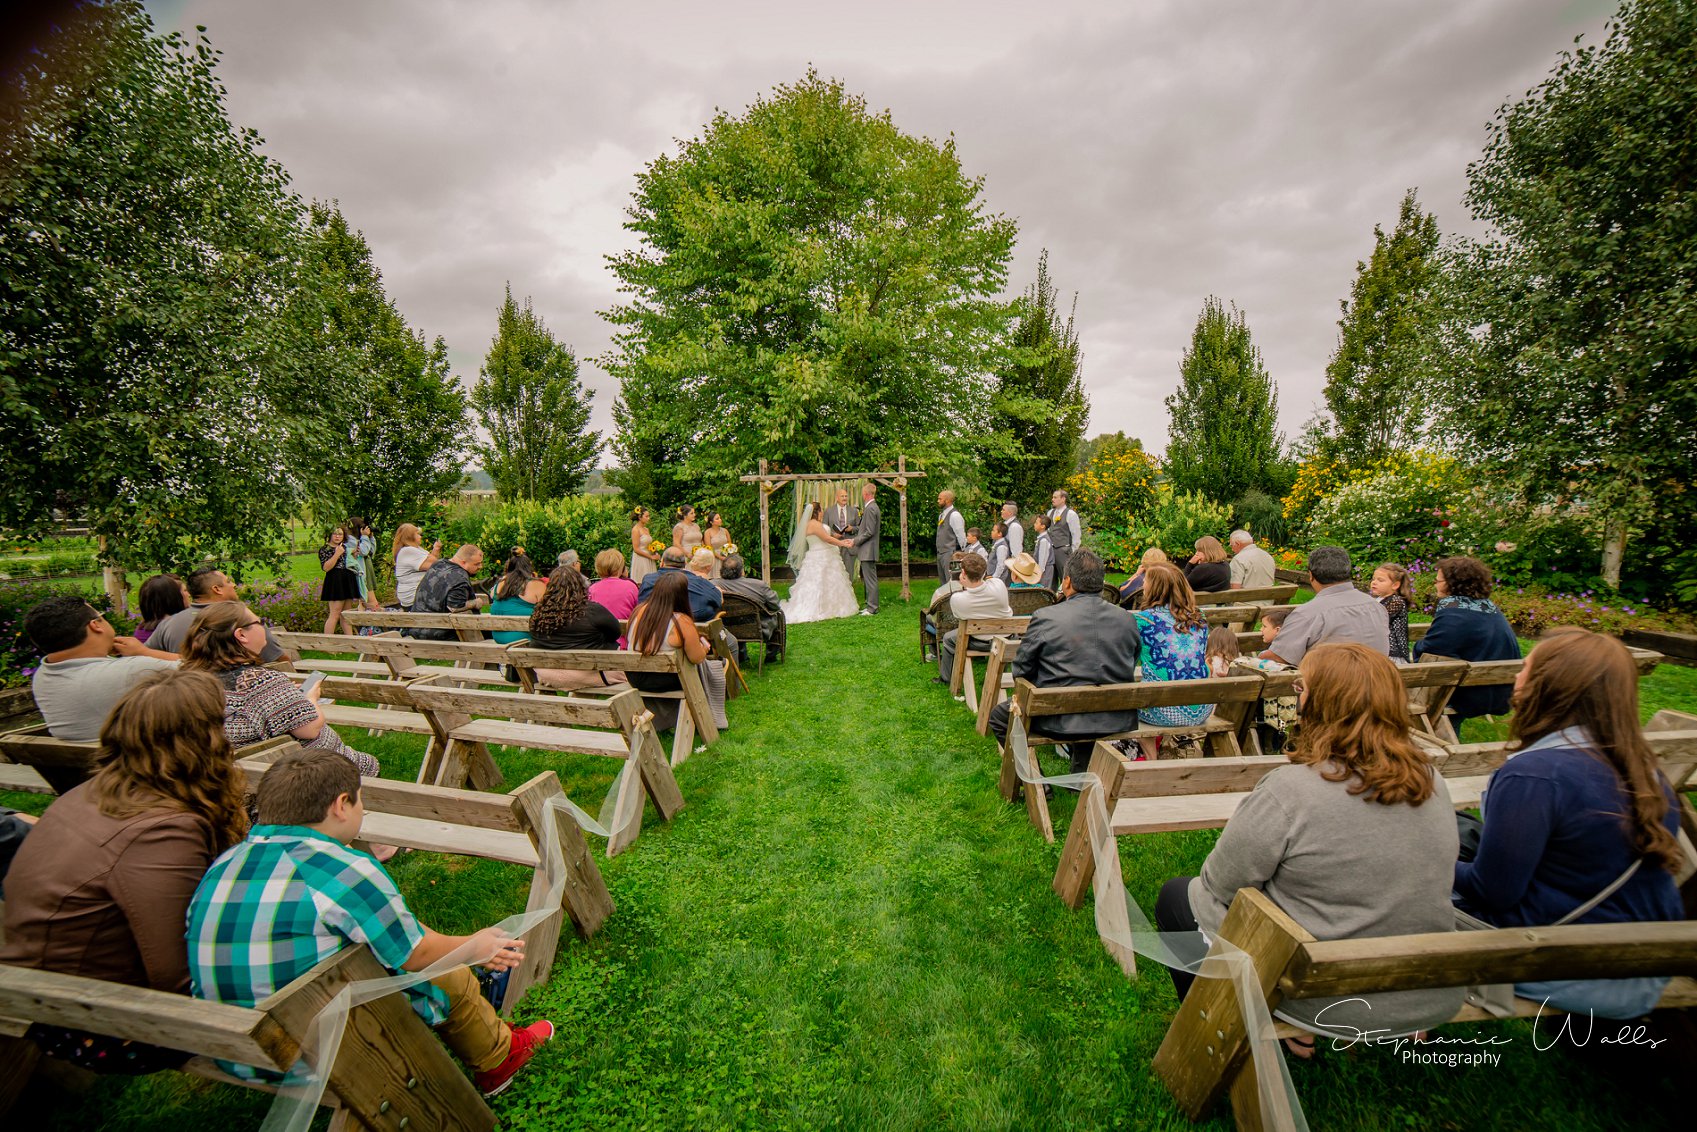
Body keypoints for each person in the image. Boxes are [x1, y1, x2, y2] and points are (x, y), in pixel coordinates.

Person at [187, 747, 553, 1096]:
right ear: (341, 805)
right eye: (360, 800)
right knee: (450, 977)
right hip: (310, 1050)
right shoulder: (341, 869)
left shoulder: (225, 863)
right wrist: (475, 947)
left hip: (236, 1045)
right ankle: (500, 1060)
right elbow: (415, 954)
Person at [1155, 643, 1464, 1053]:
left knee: (1180, 896)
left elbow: (1221, 883)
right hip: (1420, 983)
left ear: (1321, 703)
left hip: (1316, 989)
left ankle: (1219, 1030)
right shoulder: (1430, 780)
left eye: (1301, 687)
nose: (1297, 697)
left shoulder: (1293, 789)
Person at [1, 669, 250, 1073]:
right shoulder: (162, 832)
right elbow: (180, 974)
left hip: (54, 999)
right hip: (110, 1024)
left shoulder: (97, 790)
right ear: (203, 739)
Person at [1453, 630, 1684, 1018]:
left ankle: (1402, 1010)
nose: (1517, 677)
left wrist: (1423, 858)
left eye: (1526, 668)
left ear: (1550, 686)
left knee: (1396, 878)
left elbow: (1492, 893)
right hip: (1638, 955)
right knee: (1455, 827)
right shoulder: (1643, 768)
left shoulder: (1535, 775)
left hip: (1562, 957)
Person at [180, 603, 381, 779]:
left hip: (244, 774)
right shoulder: (259, 682)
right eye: (259, 623)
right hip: (304, 774)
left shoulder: (194, 682)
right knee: (369, 764)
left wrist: (288, 698)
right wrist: (310, 698)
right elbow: (309, 728)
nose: (264, 629)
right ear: (241, 635)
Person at [987, 550, 1141, 774]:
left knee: (1000, 717)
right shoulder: (1127, 618)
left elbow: (1021, 669)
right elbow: (1131, 660)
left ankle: (1035, 782)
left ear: (1067, 582)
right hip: (1116, 716)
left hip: (1059, 718)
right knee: (1087, 701)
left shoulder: (1046, 617)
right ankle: (1079, 778)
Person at [25, 595, 178, 742]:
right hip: (139, 764)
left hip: (82, 765)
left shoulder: (42, 676)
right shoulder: (135, 669)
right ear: (95, 625)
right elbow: (200, 667)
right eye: (102, 616)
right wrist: (145, 652)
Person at [1413, 556, 1522, 739]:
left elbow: (1431, 652)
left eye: (1438, 580)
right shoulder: (1489, 607)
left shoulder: (1454, 613)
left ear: (1452, 583)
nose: (1435, 584)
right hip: (1497, 690)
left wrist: (1417, 646)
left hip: (1470, 694)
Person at [626, 571, 727, 732]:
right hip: (665, 678)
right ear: (682, 594)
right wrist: (704, 648)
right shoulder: (681, 621)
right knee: (707, 666)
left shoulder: (638, 611)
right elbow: (697, 658)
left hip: (636, 676)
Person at [1131, 564, 1214, 755]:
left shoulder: (1144, 620)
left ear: (1155, 588)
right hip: (1201, 707)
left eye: (1146, 581)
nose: (1143, 584)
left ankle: (1152, 761)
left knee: (1130, 702)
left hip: (1161, 711)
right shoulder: (1199, 617)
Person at [1258, 547, 1389, 666]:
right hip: (1377, 683)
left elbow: (1279, 657)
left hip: (1333, 687)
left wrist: (1256, 658)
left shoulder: (1307, 614)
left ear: (1311, 576)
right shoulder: (1376, 607)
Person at [147, 565, 286, 662]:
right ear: (217, 589)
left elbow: (141, 654)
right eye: (228, 582)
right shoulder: (241, 617)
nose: (234, 585)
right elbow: (277, 658)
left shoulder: (169, 623)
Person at [527, 564, 628, 690]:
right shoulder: (592, 610)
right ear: (580, 586)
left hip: (548, 675)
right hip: (589, 673)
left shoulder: (538, 614)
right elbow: (616, 632)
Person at [933, 552, 1013, 689]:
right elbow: (988, 582)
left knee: (947, 638)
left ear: (963, 573)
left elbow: (960, 618)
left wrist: (965, 586)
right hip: (1006, 637)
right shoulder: (999, 585)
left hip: (980, 641)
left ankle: (946, 678)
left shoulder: (958, 599)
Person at [781, 502, 859, 624]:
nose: (822, 512)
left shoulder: (813, 524)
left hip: (824, 556)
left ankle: (831, 606)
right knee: (818, 582)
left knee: (829, 582)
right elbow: (826, 539)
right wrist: (844, 544)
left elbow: (827, 536)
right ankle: (821, 609)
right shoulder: (814, 524)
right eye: (821, 510)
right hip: (820, 557)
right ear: (816, 512)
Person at [1236, 605, 1299, 754]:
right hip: (1285, 713)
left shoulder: (1268, 656)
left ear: (1278, 631)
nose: (1261, 630)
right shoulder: (1294, 652)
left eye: (1264, 626)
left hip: (1265, 712)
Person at [404, 544, 489, 640]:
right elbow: (454, 607)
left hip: (416, 627)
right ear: (463, 562)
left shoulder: (438, 564)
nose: (480, 566)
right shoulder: (459, 578)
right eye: (476, 564)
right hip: (438, 632)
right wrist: (475, 603)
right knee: (490, 631)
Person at [716, 554, 785, 659]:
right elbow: (775, 605)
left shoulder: (713, 584)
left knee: (736, 617)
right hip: (758, 628)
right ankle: (771, 655)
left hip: (727, 627)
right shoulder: (759, 585)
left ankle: (741, 655)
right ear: (741, 570)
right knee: (778, 615)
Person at [637, 546, 725, 622]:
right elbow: (718, 601)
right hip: (694, 632)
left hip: (653, 631)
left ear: (662, 562)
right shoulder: (700, 582)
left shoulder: (648, 580)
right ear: (685, 564)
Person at [489, 550, 547, 644]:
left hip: (499, 638)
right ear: (529, 568)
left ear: (509, 567)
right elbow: (549, 609)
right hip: (524, 640)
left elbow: (492, 595)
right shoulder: (536, 585)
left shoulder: (499, 584)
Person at [588, 549, 641, 646]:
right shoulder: (630, 587)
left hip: (599, 644)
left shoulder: (592, 589)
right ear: (620, 567)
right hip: (624, 643)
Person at [319, 525, 362, 634]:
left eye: (340, 534)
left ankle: (350, 643)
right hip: (335, 580)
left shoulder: (345, 548)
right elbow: (326, 567)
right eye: (335, 534)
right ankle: (328, 645)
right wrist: (337, 554)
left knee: (346, 614)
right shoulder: (325, 549)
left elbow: (347, 563)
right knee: (335, 614)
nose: (338, 536)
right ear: (329, 535)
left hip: (347, 579)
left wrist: (354, 556)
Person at [1370, 562, 1415, 662]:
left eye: (1380, 580)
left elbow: (1376, 619)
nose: (1374, 582)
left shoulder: (1396, 601)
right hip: (1380, 651)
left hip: (1393, 652)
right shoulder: (1378, 600)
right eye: (1373, 579)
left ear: (1395, 585)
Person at [392, 524, 442, 611]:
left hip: (419, 595)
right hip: (414, 599)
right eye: (417, 534)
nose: (420, 536)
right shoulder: (408, 551)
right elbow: (434, 564)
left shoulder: (415, 549)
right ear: (410, 536)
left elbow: (430, 562)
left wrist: (436, 548)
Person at [133, 574, 189, 645]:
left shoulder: (141, 630)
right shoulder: (177, 629)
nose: (188, 594)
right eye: (185, 591)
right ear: (175, 597)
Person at [852, 483, 881, 615]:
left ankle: (872, 608)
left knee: (870, 580)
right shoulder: (871, 507)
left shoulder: (870, 508)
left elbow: (869, 532)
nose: (862, 496)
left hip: (868, 550)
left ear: (866, 494)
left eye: (863, 493)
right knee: (869, 580)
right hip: (868, 550)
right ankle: (870, 605)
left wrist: (855, 541)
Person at [1045, 489, 1081, 593]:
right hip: (1051, 551)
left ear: (1063, 499)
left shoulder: (1070, 514)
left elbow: (1076, 535)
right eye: (1052, 497)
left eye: (1055, 497)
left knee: (1066, 578)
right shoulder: (1050, 512)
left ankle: (1066, 599)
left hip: (1063, 551)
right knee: (1051, 578)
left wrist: (1072, 552)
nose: (1052, 499)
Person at [346, 516, 381, 612]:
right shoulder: (350, 540)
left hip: (367, 569)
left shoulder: (361, 538)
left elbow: (371, 552)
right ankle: (374, 623)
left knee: (365, 602)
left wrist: (371, 537)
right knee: (371, 601)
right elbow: (363, 551)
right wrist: (365, 537)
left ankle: (367, 623)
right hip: (361, 572)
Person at [935, 489, 967, 584]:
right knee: (943, 582)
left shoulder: (955, 515)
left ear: (947, 500)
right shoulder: (941, 515)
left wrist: (962, 553)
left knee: (952, 581)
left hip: (951, 553)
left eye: (940, 499)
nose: (938, 501)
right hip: (941, 553)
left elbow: (961, 535)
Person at [825, 489, 859, 577]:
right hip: (834, 546)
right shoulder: (829, 511)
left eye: (846, 496)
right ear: (837, 498)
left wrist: (851, 529)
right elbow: (824, 528)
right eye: (842, 496)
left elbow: (859, 528)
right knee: (834, 573)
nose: (844, 498)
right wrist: (832, 534)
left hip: (849, 547)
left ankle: (849, 590)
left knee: (848, 573)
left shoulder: (854, 511)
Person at [630, 507, 660, 586]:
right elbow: (636, 549)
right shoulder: (635, 530)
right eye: (646, 516)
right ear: (640, 517)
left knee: (652, 582)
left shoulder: (646, 529)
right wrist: (650, 557)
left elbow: (649, 544)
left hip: (649, 557)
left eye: (649, 516)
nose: (648, 518)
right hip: (641, 558)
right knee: (642, 582)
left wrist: (655, 551)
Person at [1031, 515, 1055, 589]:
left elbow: (1042, 561)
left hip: (1045, 571)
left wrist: (1038, 575)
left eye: (1036, 523)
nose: (1034, 524)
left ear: (1042, 526)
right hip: (1042, 570)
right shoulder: (1041, 538)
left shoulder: (1044, 540)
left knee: (1043, 589)